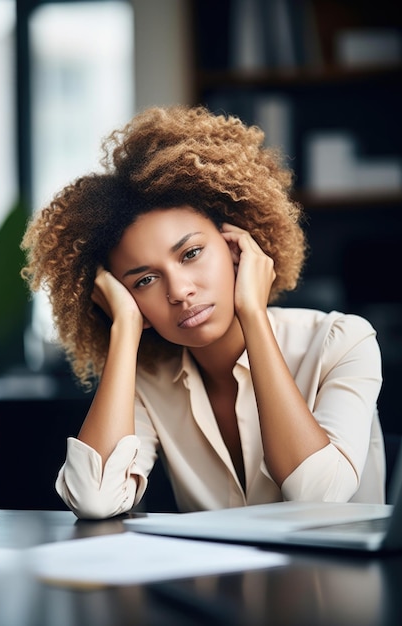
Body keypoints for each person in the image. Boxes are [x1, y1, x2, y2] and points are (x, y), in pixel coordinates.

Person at [21, 105, 386, 519]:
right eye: (144, 281)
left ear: (236, 245)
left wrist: (253, 313)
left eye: (191, 253)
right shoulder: (147, 381)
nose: (179, 291)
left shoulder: (342, 342)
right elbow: (94, 498)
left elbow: (319, 499)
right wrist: (124, 330)